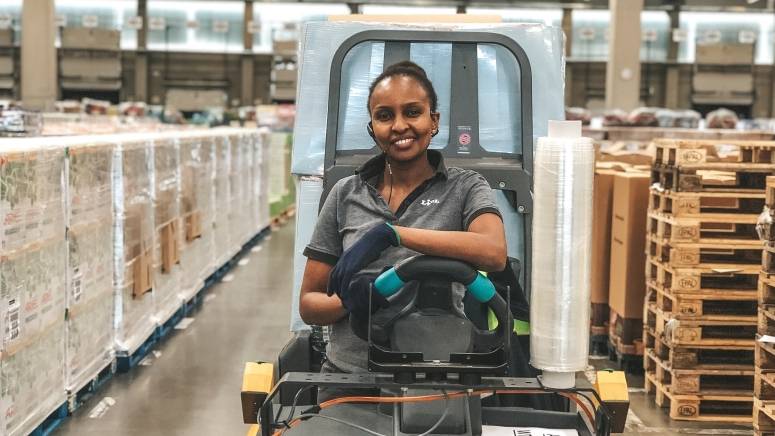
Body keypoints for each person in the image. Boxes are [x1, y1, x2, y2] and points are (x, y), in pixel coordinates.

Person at [298, 60, 507, 399]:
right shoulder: (346, 194)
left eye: (412, 112)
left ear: (433, 121)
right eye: (384, 116)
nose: (399, 126)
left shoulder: (465, 188)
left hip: (437, 378)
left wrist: (393, 234)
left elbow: (494, 252)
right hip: (351, 378)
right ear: (372, 127)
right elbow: (309, 304)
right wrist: (349, 302)